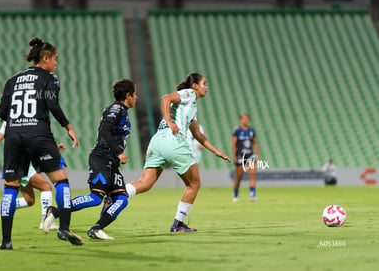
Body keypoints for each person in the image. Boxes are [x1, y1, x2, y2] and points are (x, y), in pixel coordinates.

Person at [0, 37, 82, 249]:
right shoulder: (49, 78)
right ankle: (64, 228)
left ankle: (6, 241)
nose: (56, 64)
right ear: (45, 58)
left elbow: (2, 113)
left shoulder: (12, 80)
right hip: (39, 133)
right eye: (55, 59)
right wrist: (68, 127)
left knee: (10, 187)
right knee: (60, 180)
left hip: (13, 136)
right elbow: (52, 104)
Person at [125, 73, 231, 233]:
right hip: (173, 140)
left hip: (157, 141)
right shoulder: (189, 94)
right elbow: (165, 98)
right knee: (194, 184)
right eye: (204, 83)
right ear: (195, 85)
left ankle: (118, 195)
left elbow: (198, 135)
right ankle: (178, 224)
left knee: (145, 183)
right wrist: (170, 121)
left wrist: (217, 151)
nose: (207, 87)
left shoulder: (192, 107)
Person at [43, 79, 138, 240]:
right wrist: (118, 152)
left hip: (111, 162)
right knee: (95, 198)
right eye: (135, 94)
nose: (137, 97)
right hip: (101, 157)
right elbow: (105, 130)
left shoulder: (122, 110)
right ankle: (56, 211)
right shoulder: (117, 108)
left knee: (122, 199)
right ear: (128, 95)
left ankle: (96, 228)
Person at [0, 121, 59, 230]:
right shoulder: (14, 121)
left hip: (19, 161)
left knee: (29, 200)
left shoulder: (16, 119)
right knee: (46, 187)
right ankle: (45, 222)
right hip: (20, 162)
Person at [232, 113, 261, 202]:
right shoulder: (237, 130)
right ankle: (236, 194)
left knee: (252, 174)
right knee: (239, 177)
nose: (245, 120)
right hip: (240, 155)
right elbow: (233, 144)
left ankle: (252, 195)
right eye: (243, 118)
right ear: (241, 120)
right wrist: (234, 156)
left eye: (247, 118)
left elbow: (255, 143)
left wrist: (258, 155)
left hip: (250, 155)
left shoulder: (251, 131)